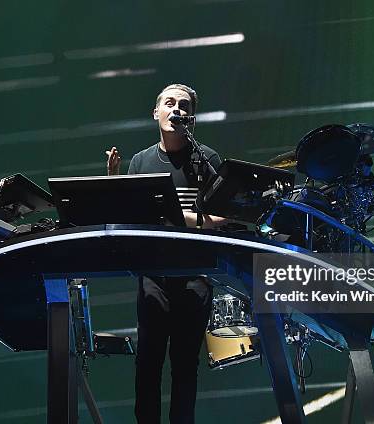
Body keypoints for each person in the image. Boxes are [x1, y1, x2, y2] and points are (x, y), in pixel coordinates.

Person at [106, 83, 224, 423]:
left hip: (195, 274)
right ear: (156, 112)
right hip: (153, 276)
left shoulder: (207, 159)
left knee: (185, 366)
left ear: (191, 119)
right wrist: (115, 180)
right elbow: (127, 216)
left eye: (183, 105)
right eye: (168, 103)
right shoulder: (142, 161)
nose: (175, 109)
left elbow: (225, 213)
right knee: (148, 364)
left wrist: (178, 216)